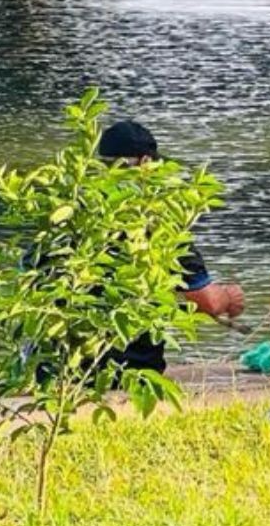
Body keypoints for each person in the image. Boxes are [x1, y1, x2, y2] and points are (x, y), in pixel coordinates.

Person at [98, 120, 246, 373]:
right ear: (145, 163)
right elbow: (207, 301)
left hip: (58, 367)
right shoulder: (155, 219)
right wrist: (228, 297)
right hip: (128, 370)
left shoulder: (73, 208)